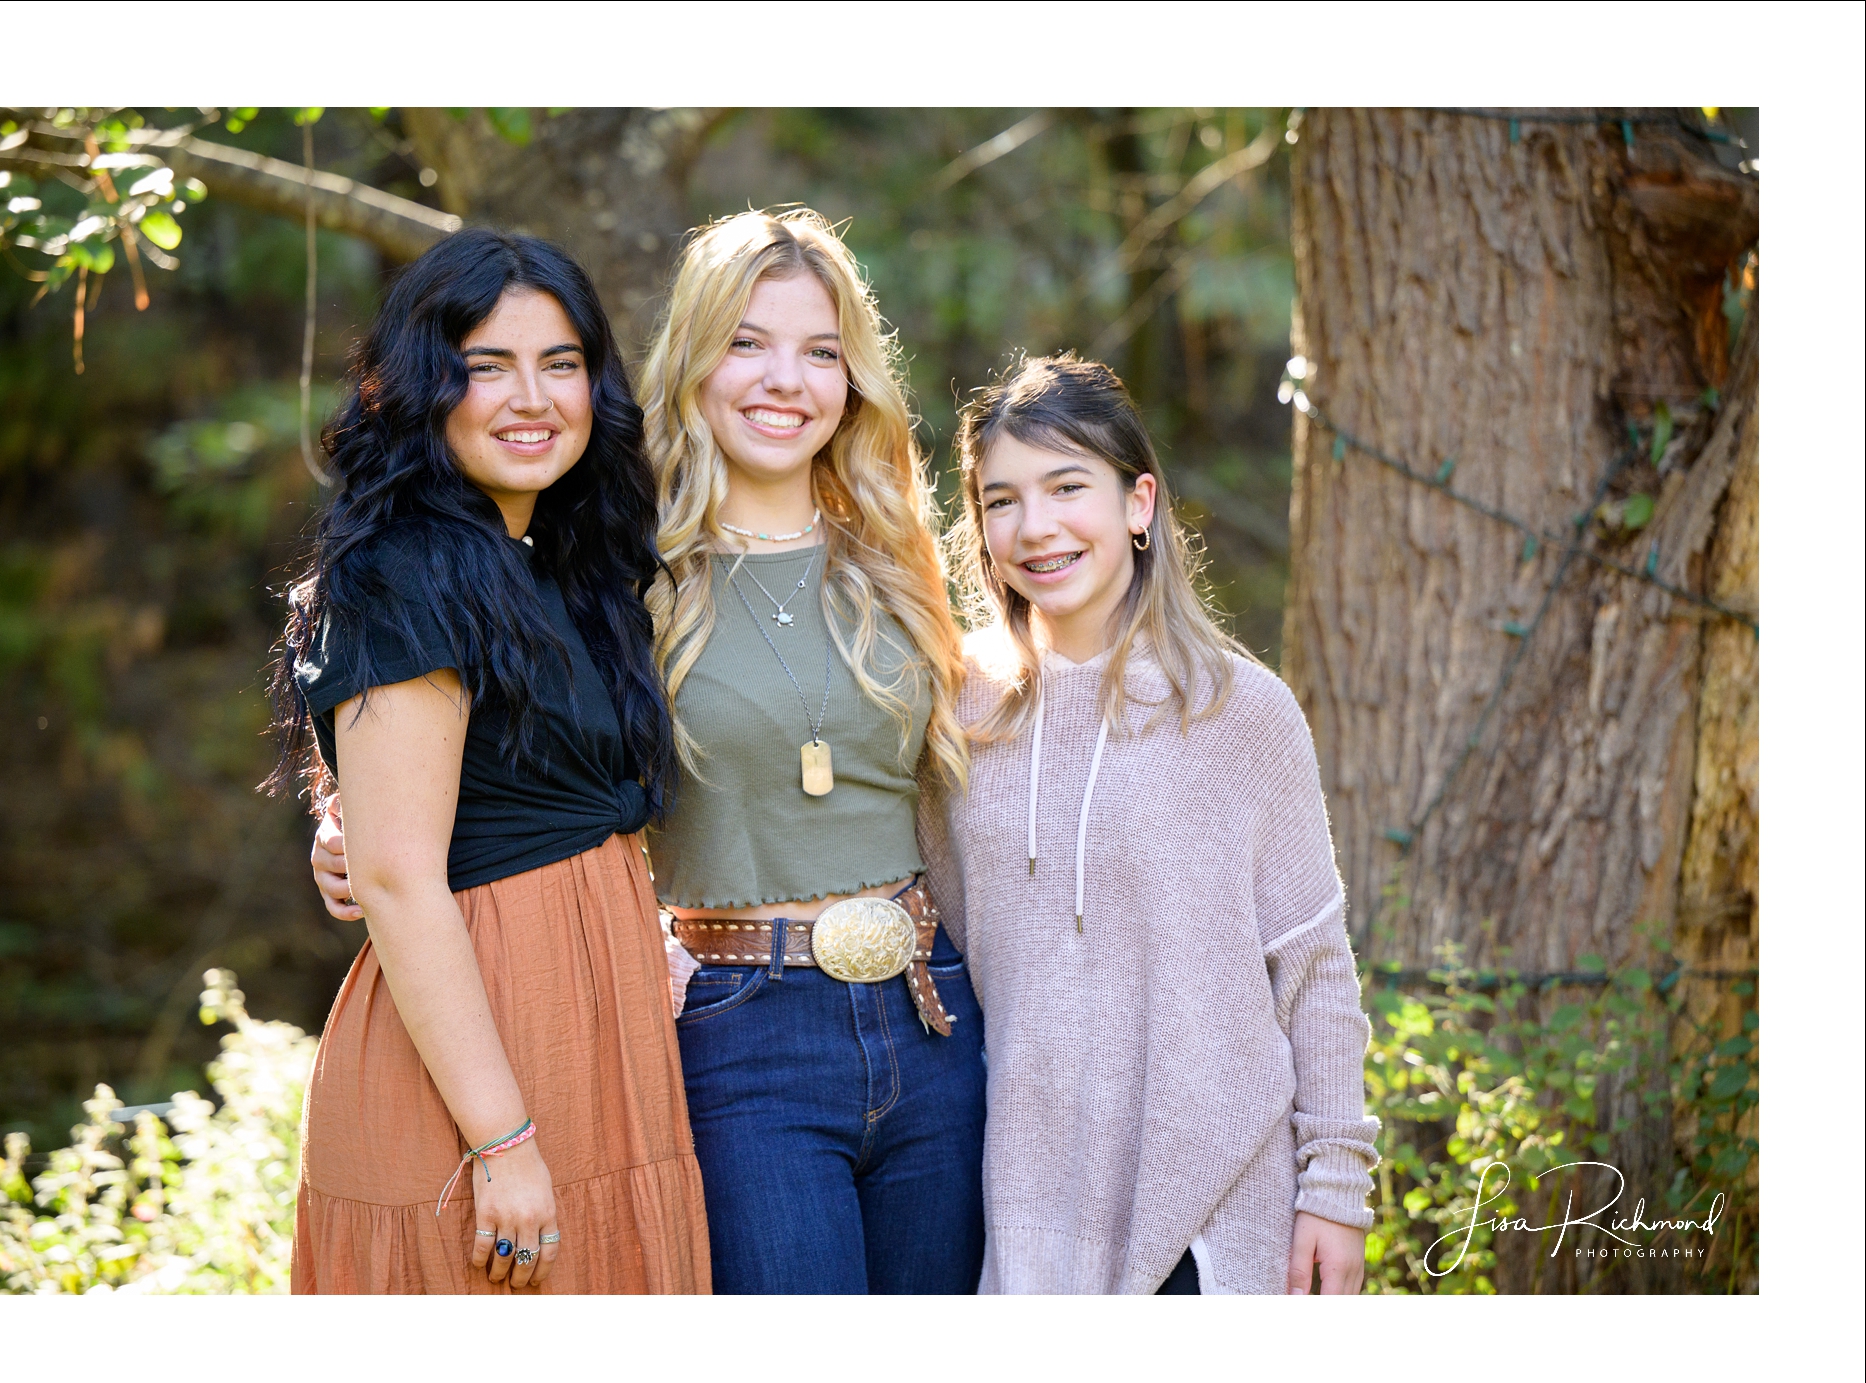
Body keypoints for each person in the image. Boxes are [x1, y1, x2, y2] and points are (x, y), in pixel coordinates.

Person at [312, 209, 988, 1295]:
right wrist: (348, 823)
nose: (786, 380)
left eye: (820, 351)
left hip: (927, 1005)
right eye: (748, 342)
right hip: (734, 1015)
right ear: (692, 359)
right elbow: (432, 700)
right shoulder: (625, 560)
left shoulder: (897, 551)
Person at [270, 228, 710, 1294]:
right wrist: (501, 1139)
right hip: (483, 1074)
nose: (531, 398)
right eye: (486, 365)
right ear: (422, 385)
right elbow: (395, 873)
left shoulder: (558, 561)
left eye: (559, 363)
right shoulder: (402, 567)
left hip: (599, 1035)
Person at [923, 353, 1379, 1294]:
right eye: (1001, 500)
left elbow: (1314, 966)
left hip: (1210, 1208)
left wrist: (1336, 1188)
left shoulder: (1237, 710)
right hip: (1023, 1202)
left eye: (1066, 487)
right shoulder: (953, 711)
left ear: (1139, 504)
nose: (1035, 527)